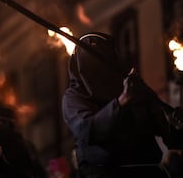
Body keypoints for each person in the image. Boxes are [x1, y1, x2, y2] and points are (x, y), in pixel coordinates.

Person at [62, 32, 183, 178]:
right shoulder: (74, 97)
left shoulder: (133, 87)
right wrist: (121, 101)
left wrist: (176, 124)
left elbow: (170, 135)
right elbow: (87, 130)